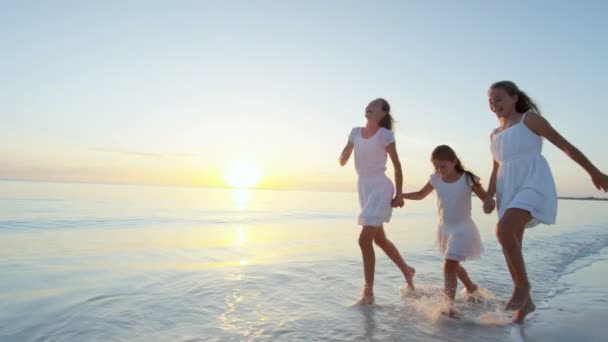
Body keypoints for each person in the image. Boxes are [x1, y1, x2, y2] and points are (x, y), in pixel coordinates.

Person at [484, 80, 608, 322]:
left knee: (504, 230)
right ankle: (526, 304)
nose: (493, 105)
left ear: (514, 98)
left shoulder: (529, 120)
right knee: (510, 243)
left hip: (534, 181)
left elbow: (565, 146)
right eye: (490, 101)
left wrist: (594, 171)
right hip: (507, 187)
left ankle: (522, 287)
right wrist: (489, 195)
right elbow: (495, 167)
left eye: (498, 99)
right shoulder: (495, 134)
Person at [339, 98, 416, 304]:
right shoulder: (355, 132)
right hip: (363, 188)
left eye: (375, 105)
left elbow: (397, 166)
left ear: (383, 113)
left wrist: (399, 194)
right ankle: (407, 271)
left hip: (381, 187)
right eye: (368, 104)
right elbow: (342, 160)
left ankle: (368, 293)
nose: (369, 106)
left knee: (364, 239)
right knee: (379, 239)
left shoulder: (385, 134)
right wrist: (345, 153)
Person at [403, 145, 485, 316]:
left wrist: (491, 203)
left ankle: (449, 307)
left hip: (463, 228)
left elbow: (485, 197)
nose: (440, 170)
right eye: (437, 167)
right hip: (445, 229)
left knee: (449, 265)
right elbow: (420, 194)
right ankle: (471, 288)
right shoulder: (436, 179)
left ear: (454, 162)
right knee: (453, 264)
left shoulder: (467, 179)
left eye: (443, 166)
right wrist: (401, 196)